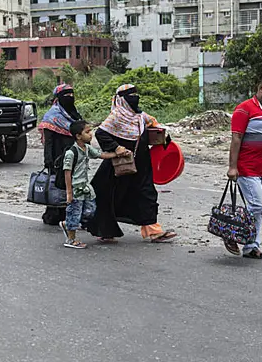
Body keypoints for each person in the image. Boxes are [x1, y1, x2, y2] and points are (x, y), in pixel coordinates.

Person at [86, 84, 179, 244]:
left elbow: (154, 126)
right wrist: (116, 147)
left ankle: (153, 231)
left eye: (136, 93)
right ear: (122, 99)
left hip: (141, 164)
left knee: (147, 194)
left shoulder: (141, 116)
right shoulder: (115, 117)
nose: (135, 97)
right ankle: (103, 229)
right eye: (130, 95)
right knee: (108, 195)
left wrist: (163, 136)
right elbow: (101, 134)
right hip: (119, 164)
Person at [224, 74, 262, 260]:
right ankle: (230, 232)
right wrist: (232, 167)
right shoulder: (244, 109)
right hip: (247, 168)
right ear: (261, 88)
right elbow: (236, 138)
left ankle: (251, 247)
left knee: (258, 210)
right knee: (258, 204)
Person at [61, 120, 131, 249]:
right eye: (87, 132)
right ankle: (71, 239)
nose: (90, 134)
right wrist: (69, 193)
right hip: (76, 189)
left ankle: (68, 223)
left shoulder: (87, 148)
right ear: (78, 136)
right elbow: (67, 173)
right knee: (75, 213)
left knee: (90, 210)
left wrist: (117, 154)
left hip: (86, 188)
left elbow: (101, 155)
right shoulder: (71, 153)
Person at [38, 83, 82, 225]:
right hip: (57, 157)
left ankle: (70, 214)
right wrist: (48, 159)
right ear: (58, 98)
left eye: (71, 95)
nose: (70, 98)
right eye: (66, 95)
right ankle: (53, 215)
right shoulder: (52, 116)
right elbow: (48, 141)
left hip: (74, 155)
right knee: (57, 186)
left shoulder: (74, 114)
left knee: (73, 185)